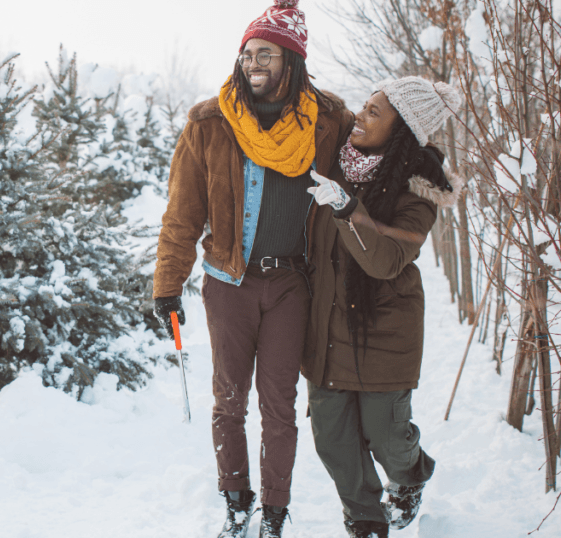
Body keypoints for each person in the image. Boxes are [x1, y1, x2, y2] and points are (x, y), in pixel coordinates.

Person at [152, 1, 353, 536]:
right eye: (246, 53)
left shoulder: (327, 122)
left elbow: (374, 156)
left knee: (279, 406)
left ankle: (275, 514)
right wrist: (167, 285)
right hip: (229, 283)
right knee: (229, 400)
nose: (252, 62)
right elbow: (182, 213)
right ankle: (236, 503)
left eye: (266, 52)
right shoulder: (210, 122)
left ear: (292, 60)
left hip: (292, 284)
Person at [303, 76, 463, 538]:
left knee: (386, 435)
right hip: (328, 326)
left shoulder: (420, 186)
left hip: (385, 328)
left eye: (375, 112)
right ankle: (365, 519)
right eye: (364, 106)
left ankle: (410, 475)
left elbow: (387, 260)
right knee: (332, 438)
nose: (360, 116)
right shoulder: (335, 164)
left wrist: (345, 208)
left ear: (402, 130)